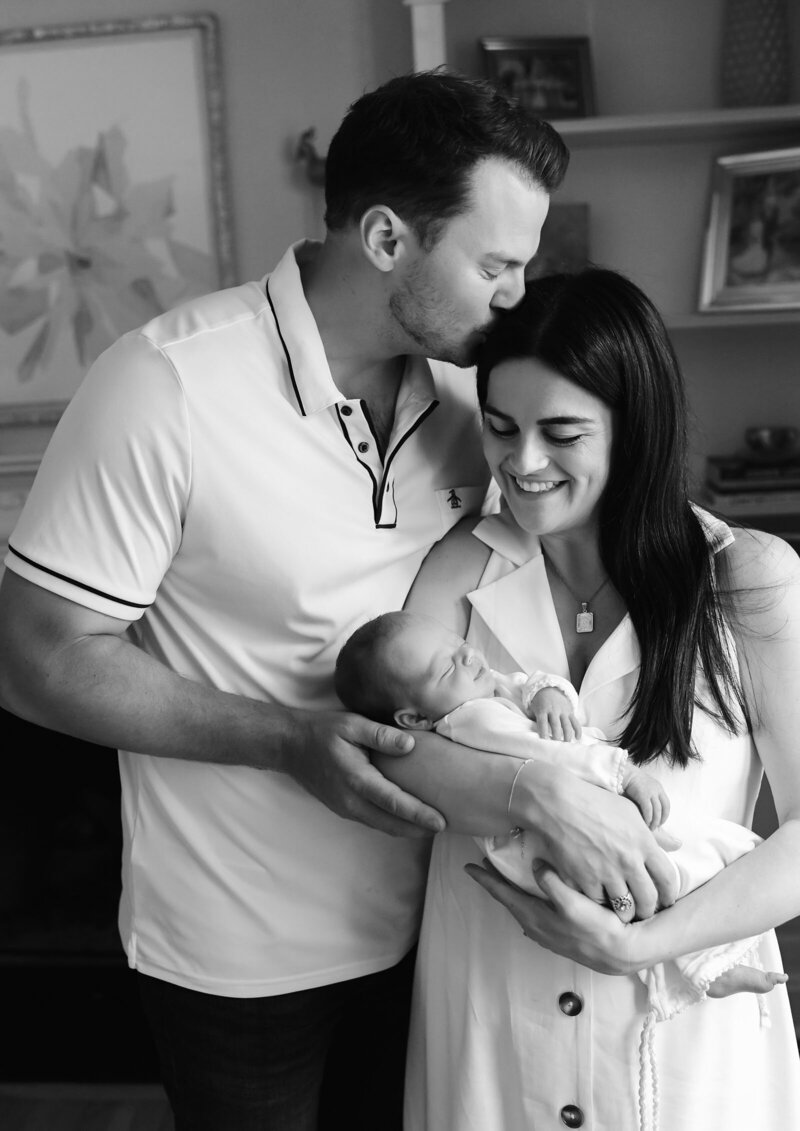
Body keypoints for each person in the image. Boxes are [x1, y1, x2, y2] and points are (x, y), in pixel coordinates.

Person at [0, 70, 573, 1131]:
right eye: (496, 264)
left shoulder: (471, 404)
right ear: (389, 240)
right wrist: (284, 740)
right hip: (242, 953)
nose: (514, 296)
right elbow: (35, 658)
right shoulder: (163, 388)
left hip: (450, 915)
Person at [369, 268, 800, 1129]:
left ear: (634, 428)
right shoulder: (457, 568)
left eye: (562, 432)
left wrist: (641, 943)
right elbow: (393, 757)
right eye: (500, 428)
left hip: (685, 1044)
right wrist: (542, 796)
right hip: (490, 1032)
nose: (521, 464)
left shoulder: (747, 577)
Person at [336, 608, 785, 1020]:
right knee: (687, 861)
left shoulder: (479, 690)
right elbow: (548, 752)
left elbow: (527, 684)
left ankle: (696, 961)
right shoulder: (472, 719)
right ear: (413, 719)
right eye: (448, 665)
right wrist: (624, 775)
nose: (471, 656)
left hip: (558, 829)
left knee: (645, 891)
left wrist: (548, 694)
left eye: (460, 644)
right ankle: (703, 961)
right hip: (543, 841)